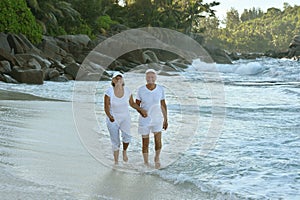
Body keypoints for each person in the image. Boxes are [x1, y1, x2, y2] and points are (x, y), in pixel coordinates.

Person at [104, 71, 147, 165]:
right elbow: (106, 106)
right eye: (116, 78)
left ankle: (124, 152)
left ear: (123, 80)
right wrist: (110, 116)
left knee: (127, 137)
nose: (118, 80)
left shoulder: (127, 90)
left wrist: (141, 109)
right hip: (113, 119)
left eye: (120, 78)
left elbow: (132, 103)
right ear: (113, 80)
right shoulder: (109, 91)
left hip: (125, 118)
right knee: (115, 141)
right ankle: (116, 162)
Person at [136, 69, 168, 169]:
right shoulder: (141, 89)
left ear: (155, 78)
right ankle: (145, 162)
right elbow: (136, 105)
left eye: (152, 77)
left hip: (157, 119)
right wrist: (141, 111)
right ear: (146, 78)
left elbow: (163, 104)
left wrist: (165, 119)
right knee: (145, 142)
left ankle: (156, 158)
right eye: (148, 77)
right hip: (144, 120)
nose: (150, 79)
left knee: (158, 141)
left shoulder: (160, 89)